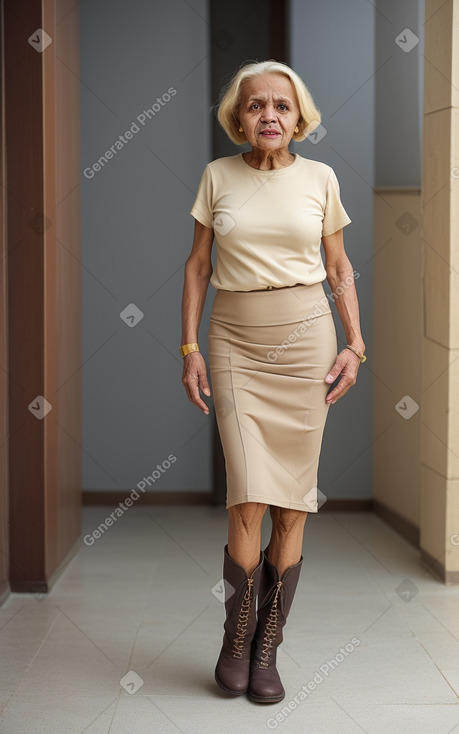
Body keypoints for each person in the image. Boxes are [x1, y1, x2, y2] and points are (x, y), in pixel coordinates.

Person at [180, 59, 366, 704]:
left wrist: (356, 344)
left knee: (293, 502)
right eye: (256, 105)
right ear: (239, 116)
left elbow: (339, 269)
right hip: (233, 337)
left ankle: (267, 648)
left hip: (307, 336)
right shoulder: (216, 176)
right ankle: (235, 638)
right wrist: (188, 348)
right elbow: (198, 266)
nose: (269, 116)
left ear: (298, 117)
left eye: (281, 107)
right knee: (248, 496)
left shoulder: (321, 178)